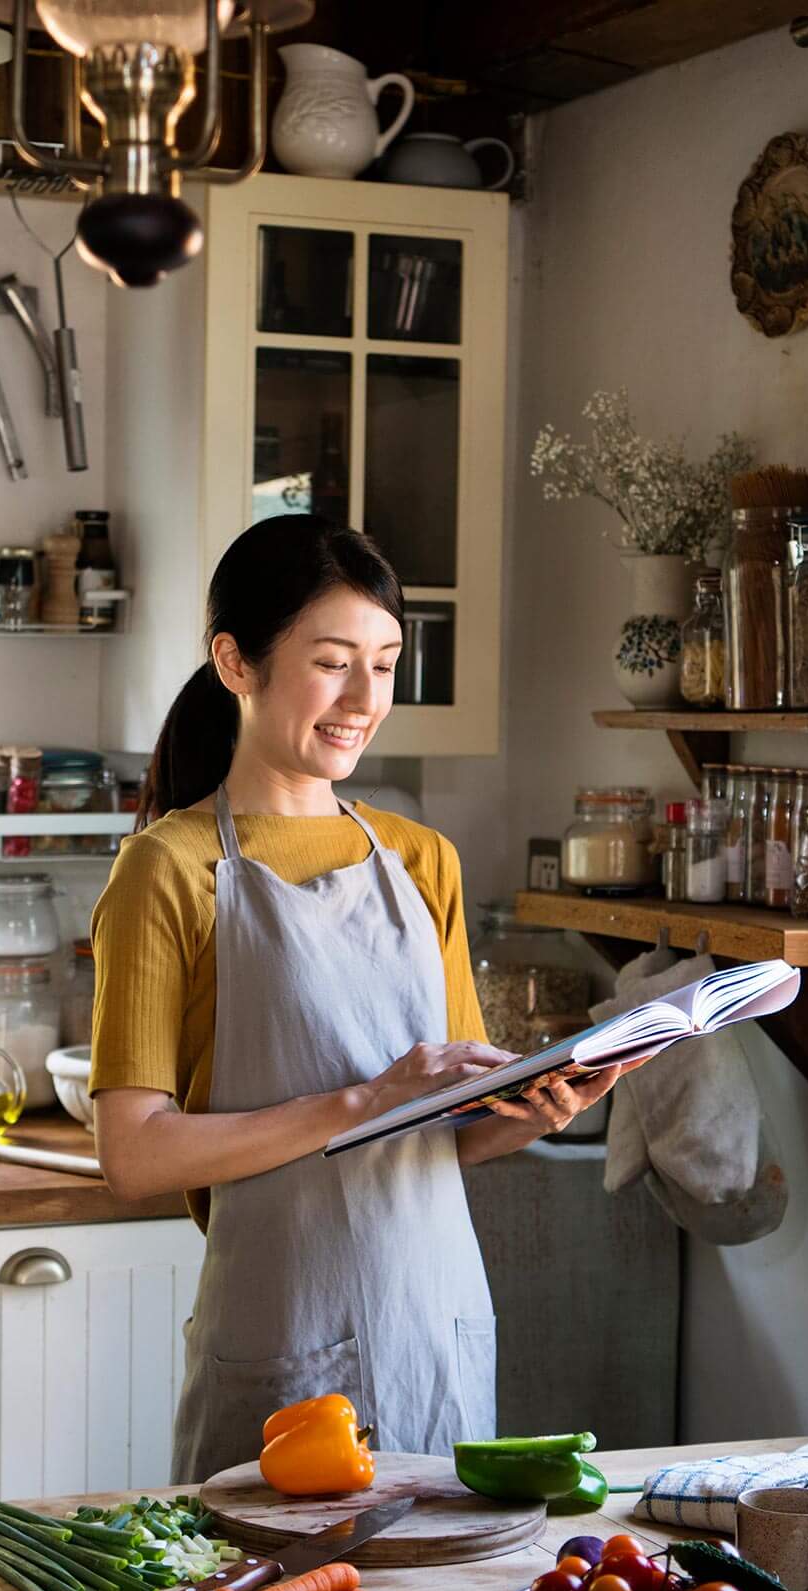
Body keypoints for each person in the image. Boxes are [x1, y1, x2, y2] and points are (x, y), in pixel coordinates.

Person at [88, 514, 637, 1482]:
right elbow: (134, 1154)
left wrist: (539, 1107)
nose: (362, 698)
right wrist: (361, 1102)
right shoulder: (168, 867)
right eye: (332, 661)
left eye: (383, 664)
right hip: (282, 1332)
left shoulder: (423, 859)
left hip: (434, 1318)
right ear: (236, 662)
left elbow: (450, 1128)